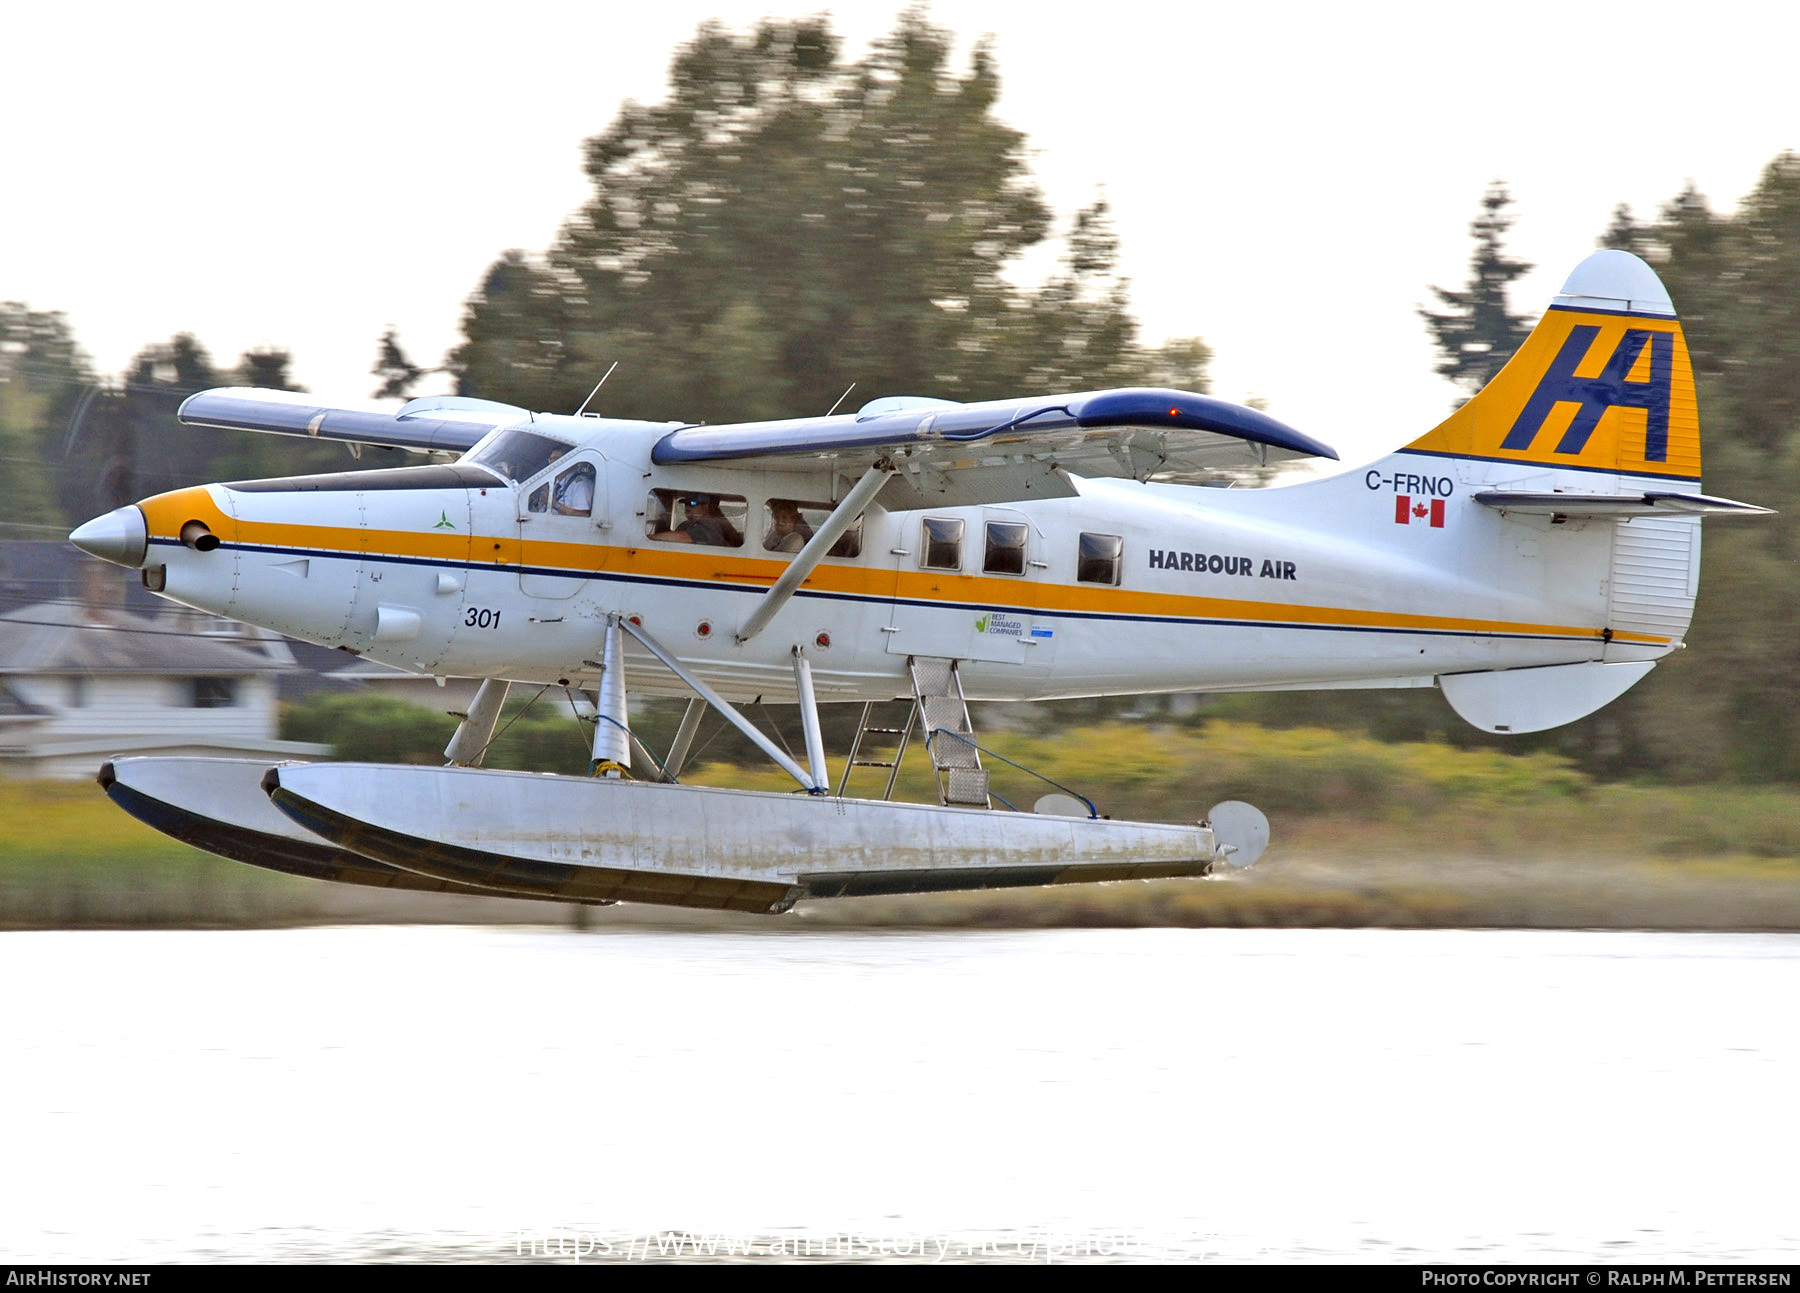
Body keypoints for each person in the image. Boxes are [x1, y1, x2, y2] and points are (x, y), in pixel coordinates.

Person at [656, 494, 739, 546]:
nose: (687, 507)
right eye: (686, 504)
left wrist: (648, 538)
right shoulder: (686, 524)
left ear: (705, 507)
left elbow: (683, 537)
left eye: (693, 503)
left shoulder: (710, 524)